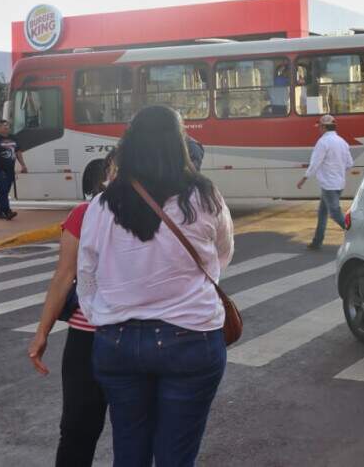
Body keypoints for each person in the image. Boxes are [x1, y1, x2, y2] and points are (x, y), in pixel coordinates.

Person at [76, 105, 233, 466]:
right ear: (179, 146)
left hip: (117, 342)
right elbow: (222, 256)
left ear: (129, 147)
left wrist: (105, 314)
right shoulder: (206, 198)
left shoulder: (101, 205)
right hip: (191, 339)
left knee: (129, 450)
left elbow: (86, 274)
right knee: (176, 455)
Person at [27, 150, 116, 467]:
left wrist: (42, 333)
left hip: (96, 338)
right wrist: (42, 331)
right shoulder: (86, 213)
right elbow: (64, 277)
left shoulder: (87, 212)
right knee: (120, 432)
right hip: (117, 336)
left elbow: (63, 277)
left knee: (83, 430)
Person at [296, 114, 353, 251]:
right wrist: (337, 170)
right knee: (322, 212)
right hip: (339, 183)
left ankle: (355, 234)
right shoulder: (342, 141)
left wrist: (304, 178)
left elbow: (315, 163)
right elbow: (350, 163)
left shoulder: (323, 142)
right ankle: (317, 241)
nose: (318, 129)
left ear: (323, 127)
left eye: (319, 127)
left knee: (334, 213)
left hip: (329, 185)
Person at [0, 119, 28, 220]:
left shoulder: (13, 138)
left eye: (8, 126)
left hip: (9, 170)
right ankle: (7, 211)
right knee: (3, 189)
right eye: (4, 126)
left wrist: (23, 165)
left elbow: (18, 152)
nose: (7, 128)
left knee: (4, 191)